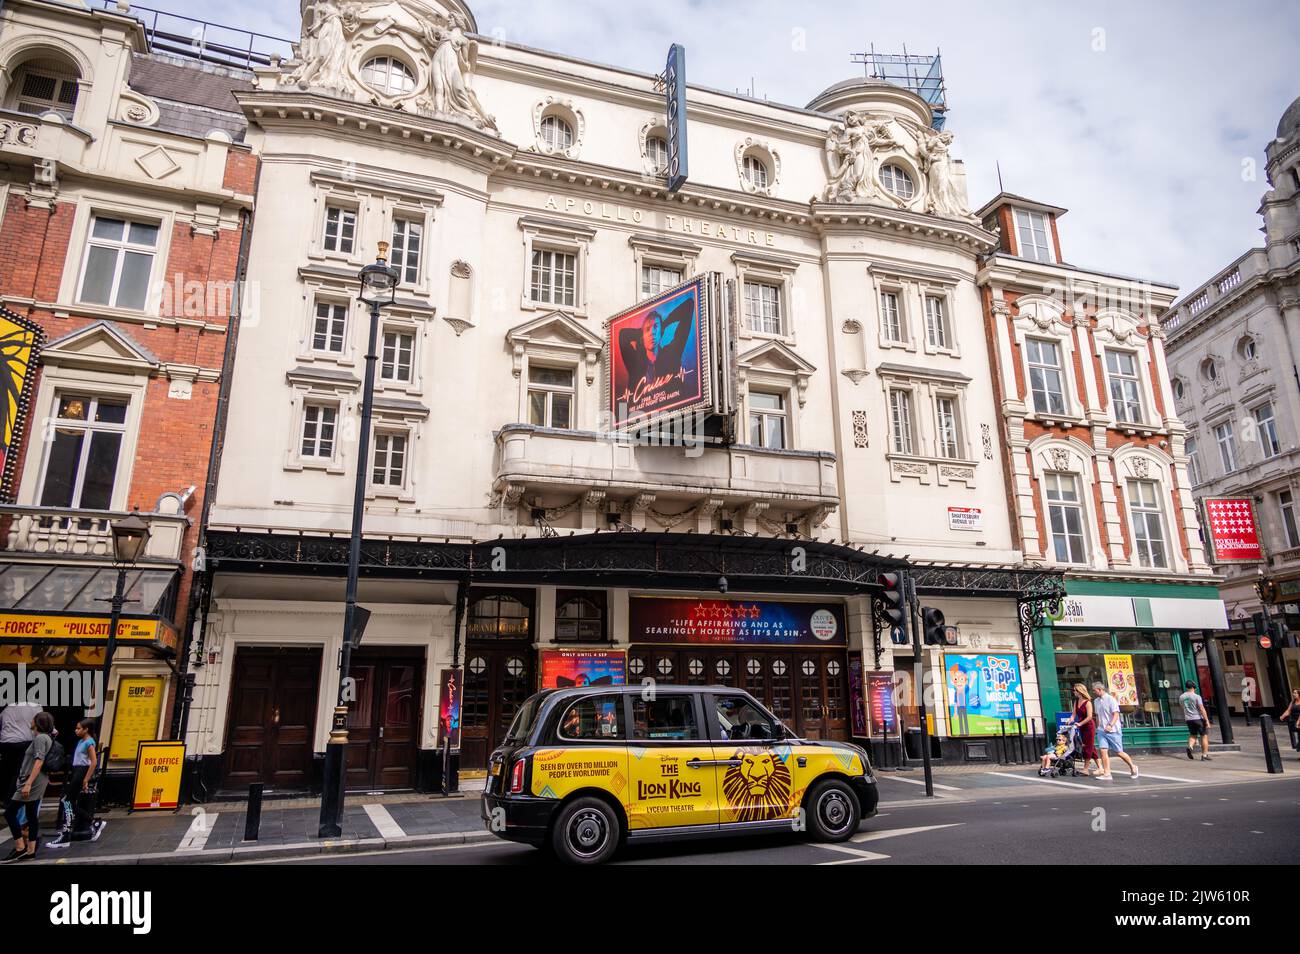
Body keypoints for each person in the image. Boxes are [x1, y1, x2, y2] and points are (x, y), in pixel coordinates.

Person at [3, 711, 55, 862]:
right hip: (36, 781)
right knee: (32, 815)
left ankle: (20, 848)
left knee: (10, 812)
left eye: (33, 719)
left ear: (38, 723)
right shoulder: (45, 737)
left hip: (33, 782)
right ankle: (30, 851)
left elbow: (39, 762)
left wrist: (28, 783)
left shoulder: (40, 738)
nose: (30, 720)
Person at [47, 718, 103, 848]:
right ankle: (92, 822)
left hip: (81, 772)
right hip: (76, 771)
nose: (76, 730)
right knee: (68, 802)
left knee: (67, 801)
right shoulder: (80, 741)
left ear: (86, 729)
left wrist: (86, 779)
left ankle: (66, 834)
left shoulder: (89, 742)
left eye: (78, 728)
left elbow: (93, 762)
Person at [1091, 682, 1139, 780]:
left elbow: (1116, 714)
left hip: (1113, 730)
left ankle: (1133, 766)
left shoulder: (1111, 699)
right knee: (1103, 751)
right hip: (1101, 730)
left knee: (1119, 752)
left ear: (1100, 689)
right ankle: (1107, 773)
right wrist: (1098, 726)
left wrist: (1110, 725)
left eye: (1095, 690)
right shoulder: (1096, 701)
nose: (1094, 693)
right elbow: (1097, 715)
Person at [0, 701, 40, 811]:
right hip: (25, 742)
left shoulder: (7, 708)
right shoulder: (35, 706)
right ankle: (11, 800)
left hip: (6, 742)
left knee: (7, 770)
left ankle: (4, 798)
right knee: (19, 772)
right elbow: (42, 721)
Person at [1065, 683, 1101, 777]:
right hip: (1082, 727)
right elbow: (1073, 714)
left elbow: (1089, 717)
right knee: (1091, 747)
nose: (1074, 692)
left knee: (1087, 747)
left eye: (1075, 690)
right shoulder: (1076, 702)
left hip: (1089, 726)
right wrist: (1070, 720)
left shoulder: (1088, 702)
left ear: (1079, 691)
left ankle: (1086, 769)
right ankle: (1100, 767)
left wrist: (1080, 723)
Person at [1178, 680, 1213, 761]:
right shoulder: (1197, 696)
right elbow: (1201, 708)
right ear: (1194, 687)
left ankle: (1190, 747)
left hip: (1188, 719)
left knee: (1193, 734)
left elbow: (1182, 706)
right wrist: (1207, 720)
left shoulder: (1182, 697)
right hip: (1198, 718)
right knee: (1204, 736)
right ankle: (1204, 755)